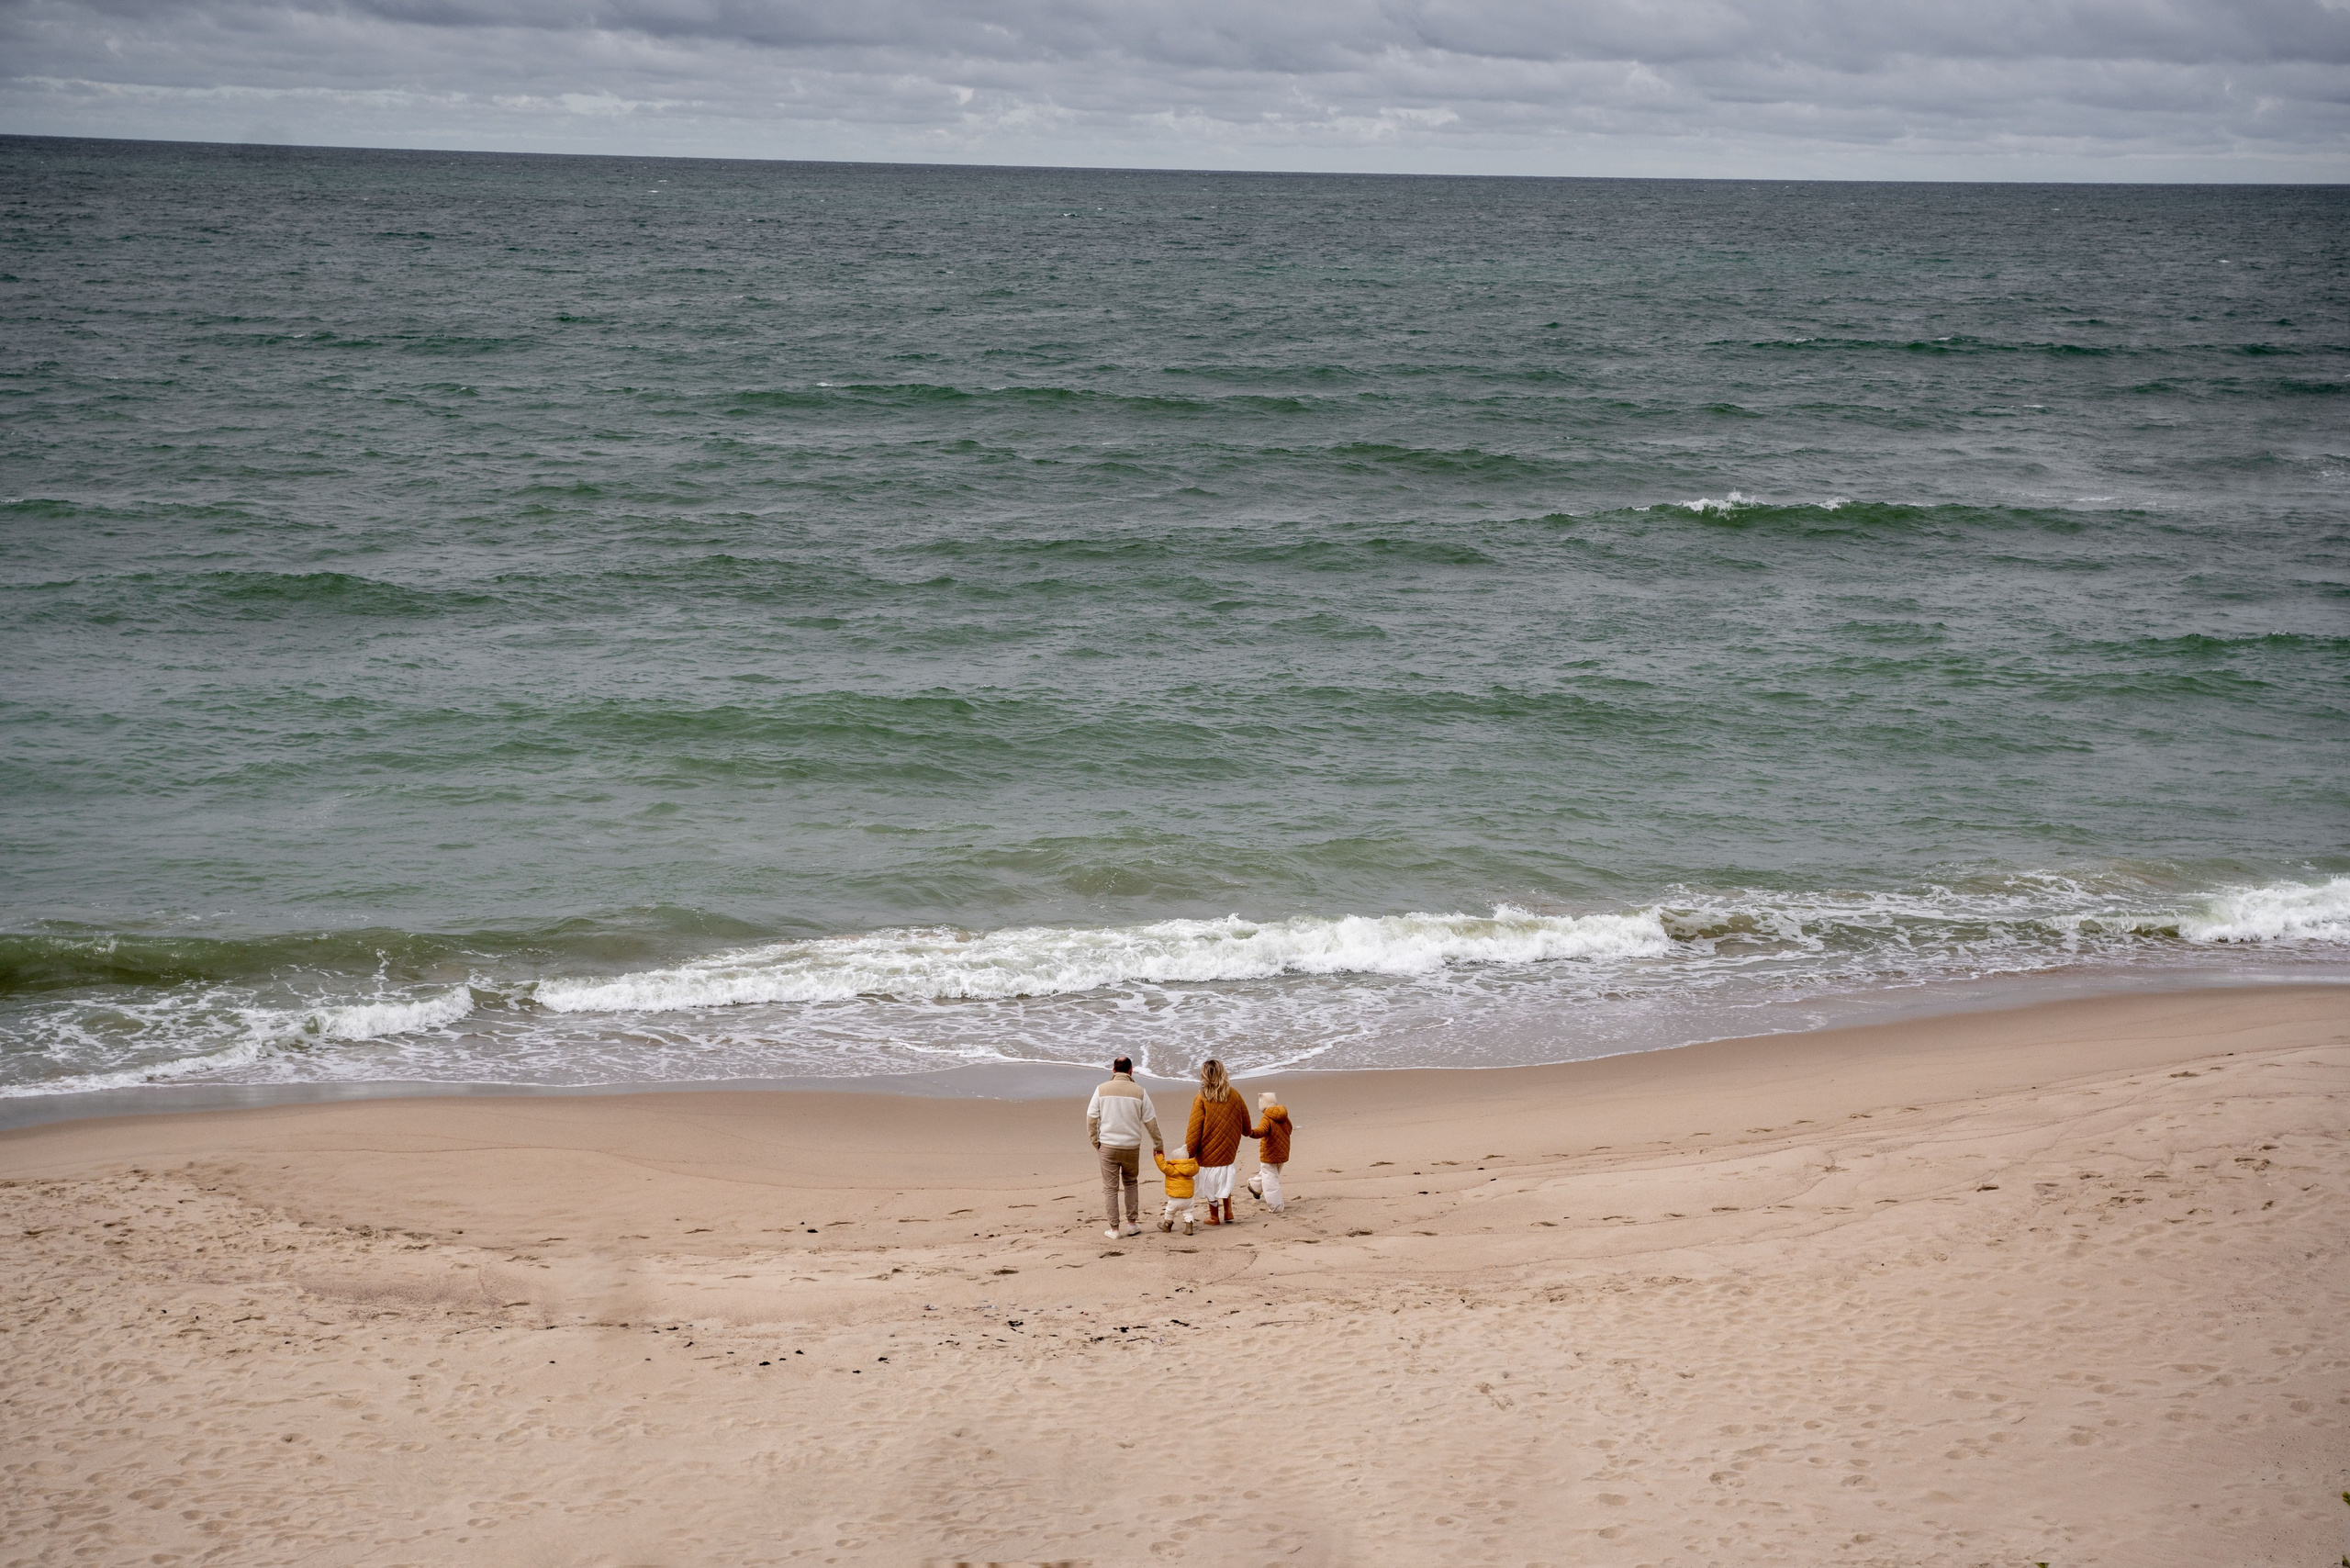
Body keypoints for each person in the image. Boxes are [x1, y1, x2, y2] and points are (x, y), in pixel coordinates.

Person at [1086, 1056, 1163, 1239]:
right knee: (1130, 1183)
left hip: (1108, 1146)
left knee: (1110, 1188)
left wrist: (1095, 1141)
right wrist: (1158, 1145)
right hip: (1131, 1147)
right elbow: (1151, 1122)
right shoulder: (1140, 1092)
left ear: (1113, 1070)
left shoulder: (1101, 1089)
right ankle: (1132, 1224)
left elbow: (1091, 1118)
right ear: (1131, 1070)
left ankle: (1114, 1229)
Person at [1183, 1058, 1253, 1227]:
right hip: (1228, 1150)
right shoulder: (1234, 1094)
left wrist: (1188, 1152)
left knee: (1210, 1185)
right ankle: (1228, 1212)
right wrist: (1247, 1132)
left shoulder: (1202, 1098)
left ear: (1204, 1076)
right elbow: (1246, 1125)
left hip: (1207, 1151)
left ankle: (1214, 1216)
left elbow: (1194, 1128)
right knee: (1224, 1180)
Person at [1245, 1091, 1293, 1212]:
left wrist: (1251, 1132)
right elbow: (1290, 1129)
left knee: (1271, 1181)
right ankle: (1255, 1186)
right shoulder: (1284, 1117)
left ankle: (1276, 1207)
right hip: (1282, 1153)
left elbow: (1261, 1131)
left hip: (1270, 1154)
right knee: (1270, 1174)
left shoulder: (1267, 1118)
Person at [1154, 1148, 1200, 1234]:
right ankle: (1189, 1228)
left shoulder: (1172, 1169)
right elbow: (1197, 1164)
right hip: (1188, 1198)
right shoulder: (1192, 1168)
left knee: (1170, 1212)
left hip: (1174, 1198)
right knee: (1188, 1213)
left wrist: (1158, 1156)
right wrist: (1195, 1156)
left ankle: (1167, 1226)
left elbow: (1163, 1166)